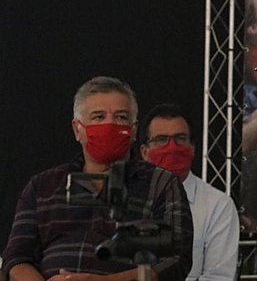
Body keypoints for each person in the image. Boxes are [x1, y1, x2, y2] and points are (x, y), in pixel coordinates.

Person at [3, 77, 193, 280]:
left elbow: (176, 261)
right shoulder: (42, 186)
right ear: (77, 129)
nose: (110, 124)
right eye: (98, 117)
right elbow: (16, 258)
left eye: (121, 117)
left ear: (134, 130)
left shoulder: (161, 183)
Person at [140, 104, 239, 281]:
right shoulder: (127, 197)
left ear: (192, 147)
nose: (172, 147)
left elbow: (218, 278)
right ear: (144, 152)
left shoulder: (217, 205)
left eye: (180, 138)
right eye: (161, 139)